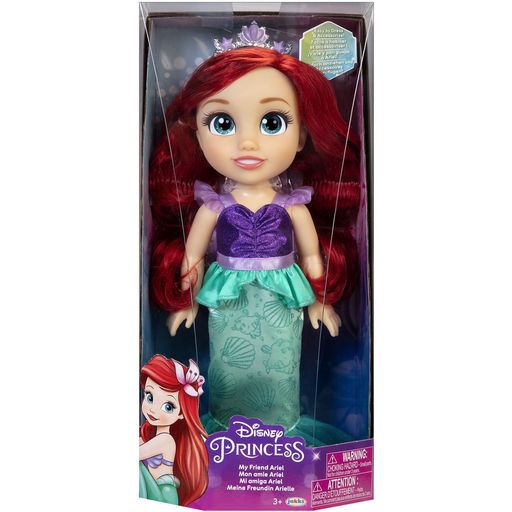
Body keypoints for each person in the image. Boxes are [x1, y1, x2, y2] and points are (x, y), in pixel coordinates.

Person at [150, 33, 360, 445]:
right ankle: (229, 432)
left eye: (272, 123)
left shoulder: (293, 205)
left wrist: (321, 299)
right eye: (223, 123)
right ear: (197, 134)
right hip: (228, 299)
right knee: (228, 368)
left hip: (282, 297)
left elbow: (311, 256)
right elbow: (194, 255)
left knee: (281, 367)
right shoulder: (214, 205)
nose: (248, 143)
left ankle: (281, 432)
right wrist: (186, 300)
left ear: (302, 136)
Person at [139, 355, 208, 505]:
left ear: (182, 413)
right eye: (150, 397)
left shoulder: (165, 440)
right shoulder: (151, 436)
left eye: (168, 407)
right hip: (154, 490)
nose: (153, 410)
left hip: (163, 495)